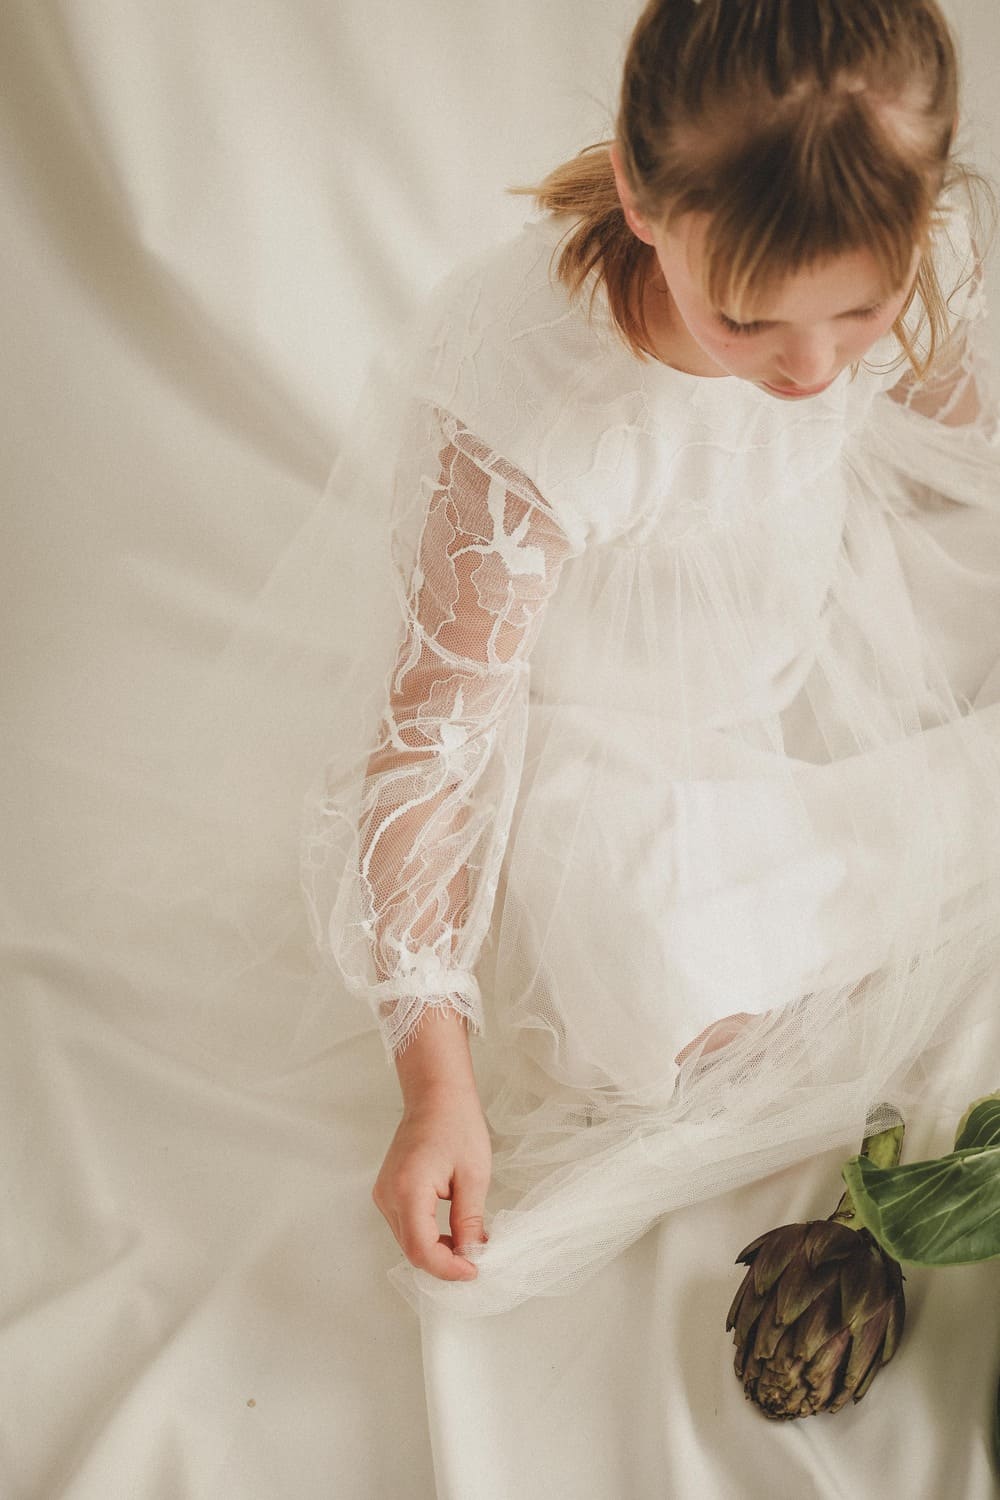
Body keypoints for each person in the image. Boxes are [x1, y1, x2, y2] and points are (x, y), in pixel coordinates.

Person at [299, 0, 1000, 1316]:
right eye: (746, 322)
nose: (812, 368)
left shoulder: (880, 261)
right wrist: (436, 1082)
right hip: (612, 735)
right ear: (641, 197)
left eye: (862, 310)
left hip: (814, 617)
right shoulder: (542, 409)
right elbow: (431, 746)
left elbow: (955, 425)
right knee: (645, 969)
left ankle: (848, 895)